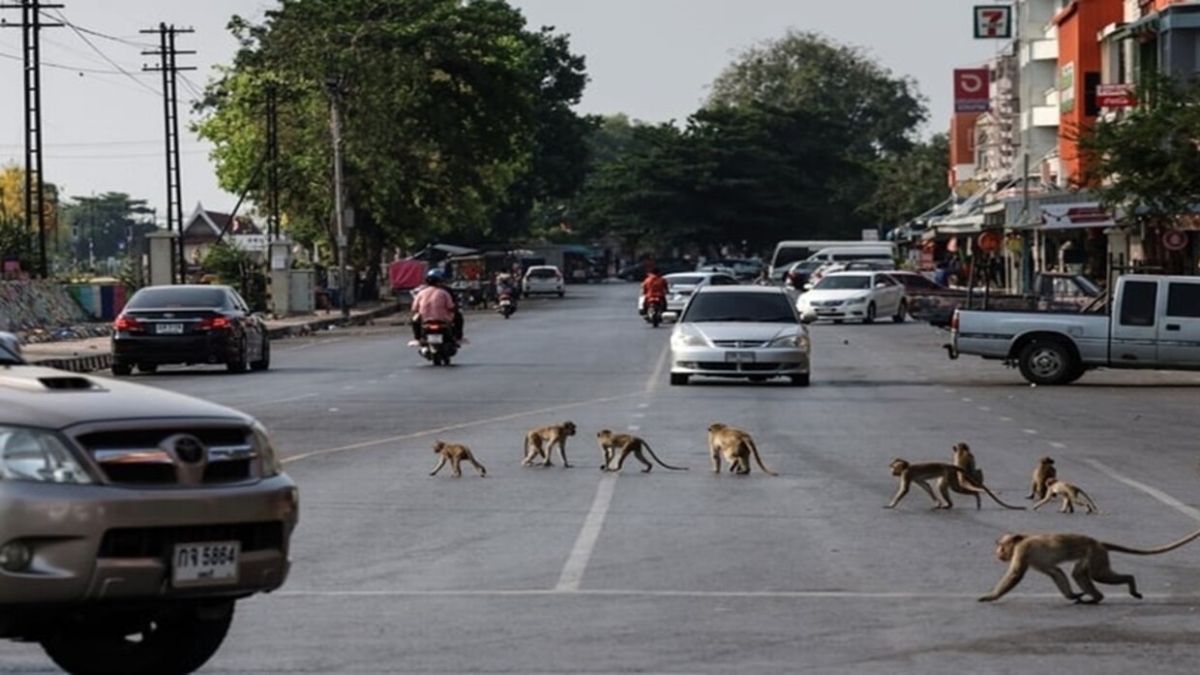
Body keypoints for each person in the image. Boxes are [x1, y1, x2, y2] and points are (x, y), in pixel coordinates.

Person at [411, 268, 464, 344]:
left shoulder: (421, 292)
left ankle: (417, 338)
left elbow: (414, 308)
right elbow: (451, 307)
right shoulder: (444, 292)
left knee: (414, 320)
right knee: (458, 317)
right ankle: (458, 337)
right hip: (443, 319)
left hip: (425, 319)